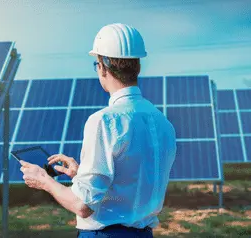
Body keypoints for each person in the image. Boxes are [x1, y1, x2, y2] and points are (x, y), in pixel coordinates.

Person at [19, 23, 177, 238]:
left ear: (102, 66)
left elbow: (83, 206)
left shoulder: (104, 121)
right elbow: (130, 181)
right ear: (137, 67)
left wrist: (44, 180)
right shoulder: (162, 122)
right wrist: (80, 175)